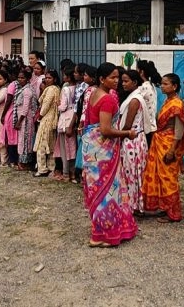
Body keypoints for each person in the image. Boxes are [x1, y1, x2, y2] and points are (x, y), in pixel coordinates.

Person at [81, 62, 139, 247]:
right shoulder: (107, 99)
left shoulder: (92, 94)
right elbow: (105, 129)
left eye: (117, 77)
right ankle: (106, 234)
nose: (117, 81)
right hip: (102, 152)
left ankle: (99, 230)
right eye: (112, 77)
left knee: (98, 188)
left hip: (92, 148)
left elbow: (92, 124)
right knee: (108, 190)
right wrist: (127, 134)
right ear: (102, 79)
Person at [142, 73, 184, 222]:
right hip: (160, 141)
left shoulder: (176, 105)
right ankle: (165, 208)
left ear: (174, 86)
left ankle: (174, 212)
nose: (162, 86)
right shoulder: (167, 101)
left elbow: (179, 130)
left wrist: (172, 150)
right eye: (162, 84)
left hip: (169, 144)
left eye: (166, 84)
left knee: (168, 178)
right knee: (160, 177)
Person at [117, 70, 149, 214]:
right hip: (136, 139)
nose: (123, 84)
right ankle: (134, 204)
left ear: (135, 83)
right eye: (122, 81)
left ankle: (132, 205)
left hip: (132, 140)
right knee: (134, 173)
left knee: (131, 173)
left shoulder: (135, 100)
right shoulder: (134, 97)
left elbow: (128, 125)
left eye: (126, 81)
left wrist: (118, 136)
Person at [9, 70, 38, 170]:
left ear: (28, 79)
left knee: (25, 141)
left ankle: (24, 162)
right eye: (19, 78)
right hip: (24, 118)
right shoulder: (24, 89)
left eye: (23, 78)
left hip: (25, 120)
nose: (20, 80)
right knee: (23, 141)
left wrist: (19, 121)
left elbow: (25, 109)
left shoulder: (27, 91)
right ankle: (23, 161)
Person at [34, 70, 60, 178]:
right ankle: (51, 167)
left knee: (41, 145)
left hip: (46, 119)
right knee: (51, 145)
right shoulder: (57, 89)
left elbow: (46, 104)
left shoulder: (50, 90)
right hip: (53, 120)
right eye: (46, 78)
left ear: (54, 79)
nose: (47, 80)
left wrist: (39, 116)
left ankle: (42, 169)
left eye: (49, 78)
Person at [55, 66, 77, 181]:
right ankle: (73, 173)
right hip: (74, 118)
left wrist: (57, 104)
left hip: (65, 120)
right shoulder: (78, 88)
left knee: (64, 148)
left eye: (64, 75)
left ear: (68, 77)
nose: (63, 77)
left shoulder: (66, 89)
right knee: (73, 147)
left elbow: (63, 107)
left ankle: (66, 173)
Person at [136, 60, 159, 147]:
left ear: (141, 72)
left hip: (146, 127)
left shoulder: (143, 87)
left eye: (137, 70)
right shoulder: (151, 85)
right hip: (152, 125)